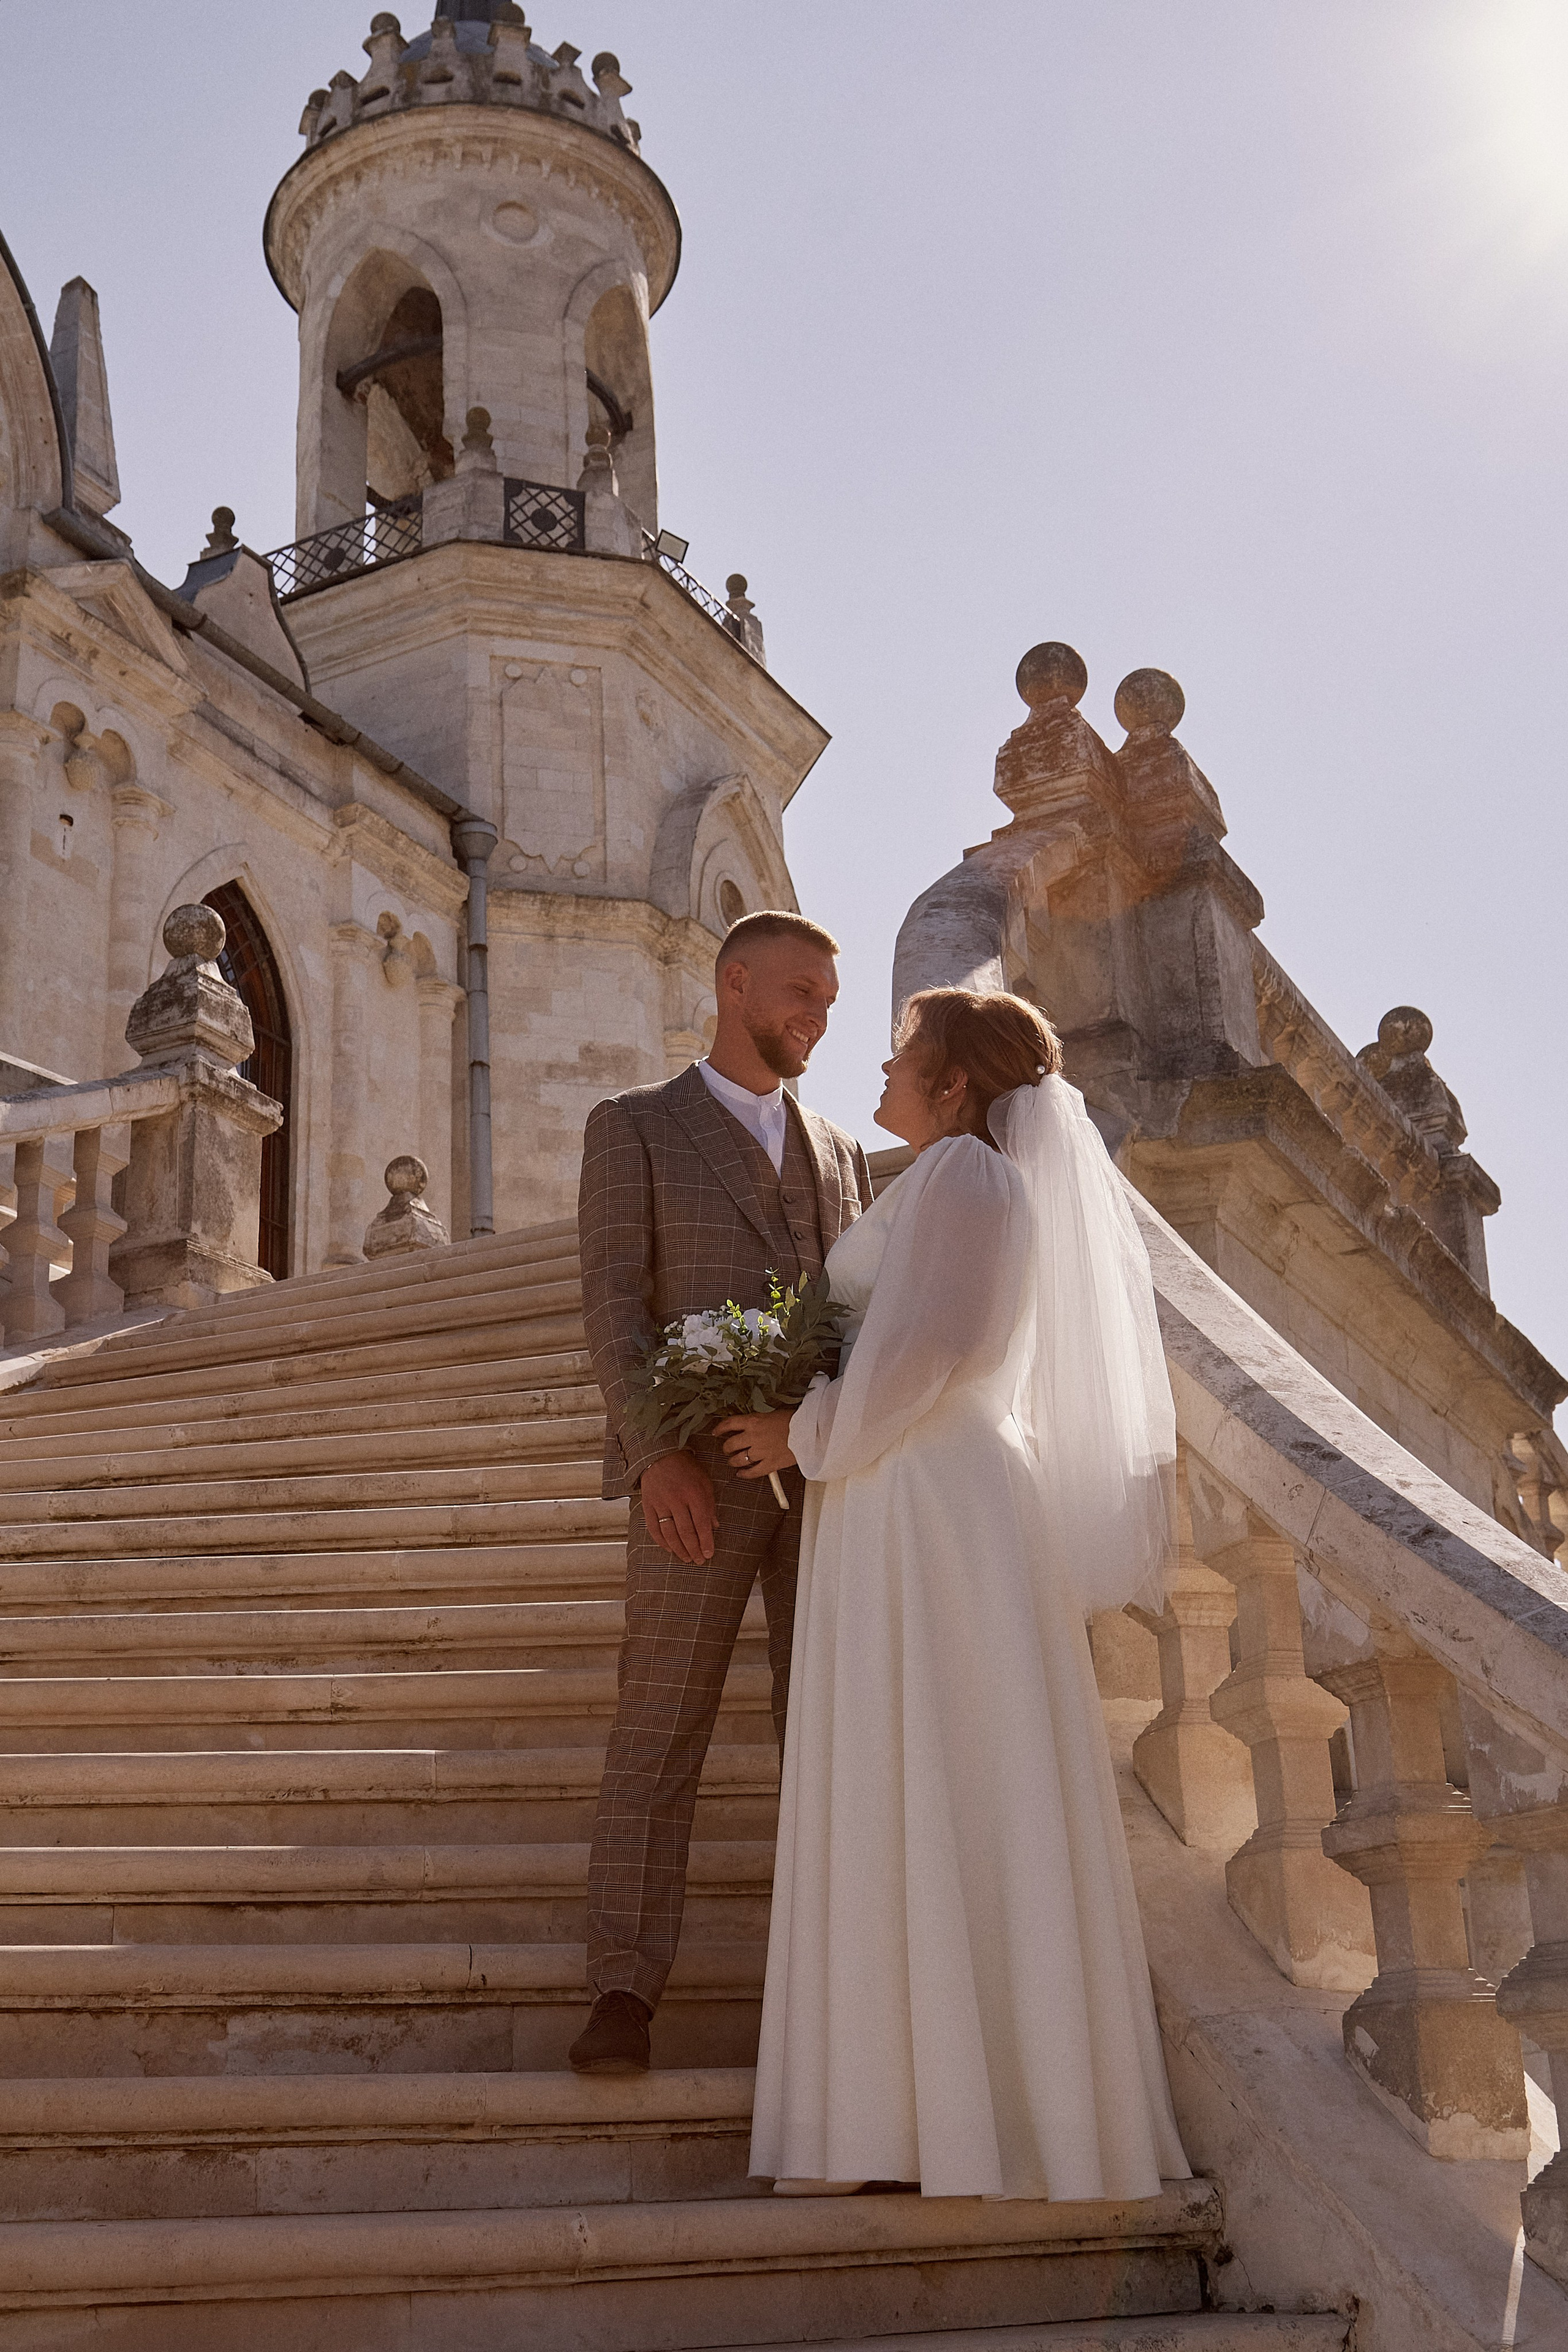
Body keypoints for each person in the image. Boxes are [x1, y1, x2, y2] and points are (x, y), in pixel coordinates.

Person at [718, 987, 1191, 2198]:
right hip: (892, 1495)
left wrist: (802, 1430)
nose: (878, 1074)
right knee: (901, 1776)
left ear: (954, 1085)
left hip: (929, 1498)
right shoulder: (939, 1183)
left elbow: (935, 1349)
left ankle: (983, 2121)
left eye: (900, 1058)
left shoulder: (971, 1182)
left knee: (950, 1772)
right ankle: (898, 2115)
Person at [569, 911, 875, 2075]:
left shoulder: (841, 1153)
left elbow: (856, 1322)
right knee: (659, 1730)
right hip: (694, 1479)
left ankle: (838, 1998)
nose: (818, 1015)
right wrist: (658, 1455)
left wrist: (819, 1433)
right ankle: (620, 1990)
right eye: (801, 992)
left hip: (826, 1477)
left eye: (829, 1003)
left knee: (833, 1736)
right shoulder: (634, 1127)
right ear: (733, 984)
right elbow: (611, 1302)